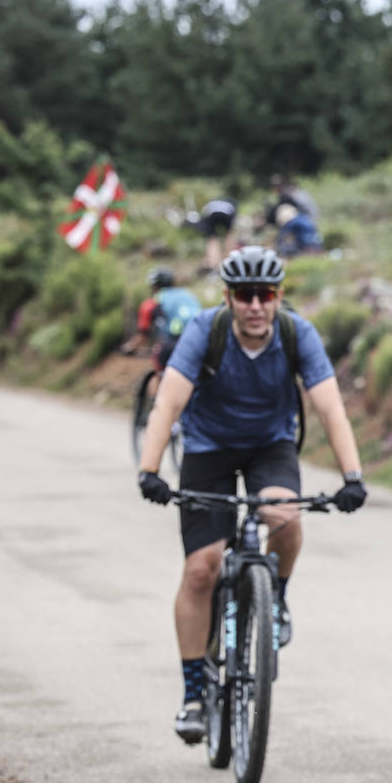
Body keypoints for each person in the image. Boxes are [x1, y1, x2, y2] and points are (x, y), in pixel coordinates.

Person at [134, 245, 368, 744]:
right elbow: (167, 402)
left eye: (265, 295)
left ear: (279, 296)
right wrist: (150, 469)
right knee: (202, 568)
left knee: (285, 516)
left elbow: (331, 410)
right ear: (229, 298)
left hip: (271, 445)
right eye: (245, 295)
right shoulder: (205, 331)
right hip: (207, 449)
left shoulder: (296, 333)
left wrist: (353, 476)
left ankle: (275, 596)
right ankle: (194, 694)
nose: (256, 305)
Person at [123, 267, 201, 372]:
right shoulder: (188, 294)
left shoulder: (153, 302)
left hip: (174, 344)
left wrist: (129, 347)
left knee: (160, 367)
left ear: (154, 286)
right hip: (200, 340)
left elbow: (143, 335)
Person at [188, 197, 238, 272]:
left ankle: (213, 263)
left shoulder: (211, 203)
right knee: (229, 235)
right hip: (228, 213)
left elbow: (204, 215)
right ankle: (230, 259)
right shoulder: (232, 203)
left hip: (211, 213)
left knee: (212, 239)